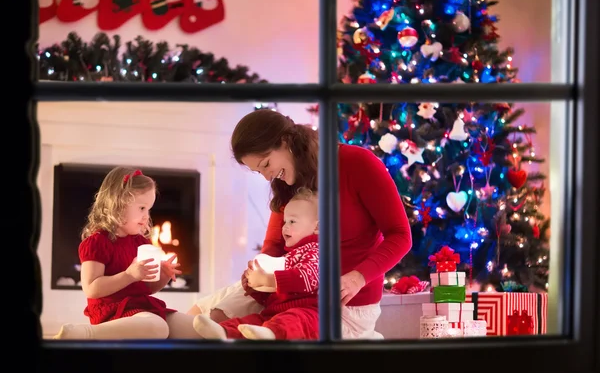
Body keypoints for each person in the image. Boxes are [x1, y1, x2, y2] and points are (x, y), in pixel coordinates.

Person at [187, 109, 412, 339]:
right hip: (290, 291)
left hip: (342, 300)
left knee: (280, 326)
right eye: (258, 172)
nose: (267, 177)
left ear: (285, 142)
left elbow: (401, 235)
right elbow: (274, 245)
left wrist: (358, 277)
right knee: (207, 319)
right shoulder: (288, 184)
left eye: (266, 164)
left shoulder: (358, 163)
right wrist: (258, 272)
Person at [53, 167, 203, 340]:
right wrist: (129, 275)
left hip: (141, 307)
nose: (146, 216)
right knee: (158, 328)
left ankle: (223, 335)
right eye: (141, 208)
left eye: (149, 209)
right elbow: (91, 289)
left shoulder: (140, 242)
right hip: (112, 311)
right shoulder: (97, 243)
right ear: (117, 204)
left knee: (192, 328)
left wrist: (163, 276)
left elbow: (147, 289)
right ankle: (85, 334)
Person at [193, 188, 320, 340]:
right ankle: (224, 332)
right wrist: (254, 286)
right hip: (275, 312)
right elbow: (273, 294)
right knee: (252, 321)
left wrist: (267, 279)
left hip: (308, 311)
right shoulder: (288, 256)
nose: (284, 227)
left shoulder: (317, 251)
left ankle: (270, 333)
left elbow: (306, 278)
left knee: (292, 319)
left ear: (317, 227)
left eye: (292, 221)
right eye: (284, 221)